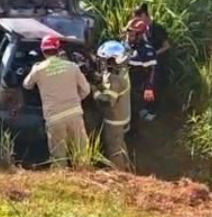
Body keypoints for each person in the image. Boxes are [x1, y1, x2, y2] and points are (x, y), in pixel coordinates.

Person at [23, 35, 91, 165]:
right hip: (74, 114)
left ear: (43, 51)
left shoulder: (38, 69)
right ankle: (84, 179)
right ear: (58, 49)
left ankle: (62, 181)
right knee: (82, 154)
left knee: (59, 158)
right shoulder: (72, 67)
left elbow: (26, 85)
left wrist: (33, 69)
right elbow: (86, 90)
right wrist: (75, 100)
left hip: (54, 118)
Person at [94, 40, 132, 171]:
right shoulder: (124, 72)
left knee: (113, 148)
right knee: (120, 144)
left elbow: (107, 101)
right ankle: (127, 167)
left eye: (105, 60)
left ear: (112, 61)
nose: (102, 62)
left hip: (115, 120)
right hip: (124, 116)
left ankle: (119, 174)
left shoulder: (114, 80)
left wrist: (94, 90)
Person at [125, 18, 159, 122]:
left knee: (135, 108)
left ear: (140, 35)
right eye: (128, 34)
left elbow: (152, 70)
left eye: (132, 35)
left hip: (138, 85)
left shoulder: (147, 50)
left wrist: (149, 88)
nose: (129, 37)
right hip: (126, 83)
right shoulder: (125, 45)